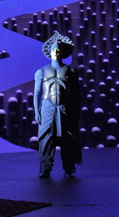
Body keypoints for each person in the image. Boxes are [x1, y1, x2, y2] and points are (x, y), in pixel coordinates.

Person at [33, 31, 82, 178]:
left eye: (58, 50)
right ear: (50, 52)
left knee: (67, 139)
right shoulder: (41, 71)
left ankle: (69, 168)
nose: (56, 52)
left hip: (65, 109)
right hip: (47, 109)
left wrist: (77, 111)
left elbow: (76, 95)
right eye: (53, 50)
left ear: (63, 52)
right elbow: (37, 94)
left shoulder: (71, 71)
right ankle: (45, 168)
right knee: (46, 139)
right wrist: (37, 112)